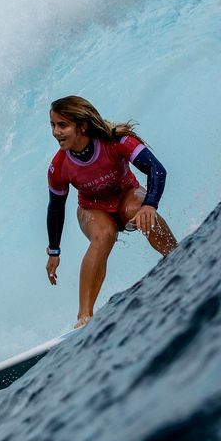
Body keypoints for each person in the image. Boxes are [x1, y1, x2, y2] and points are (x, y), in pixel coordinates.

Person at [45, 95, 177, 329]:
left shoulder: (117, 141)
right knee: (103, 235)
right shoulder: (59, 166)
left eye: (62, 125)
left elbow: (157, 170)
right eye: (53, 125)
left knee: (136, 209)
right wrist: (54, 251)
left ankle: (177, 256)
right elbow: (56, 208)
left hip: (128, 196)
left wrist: (150, 204)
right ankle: (84, 317)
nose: (56, 132)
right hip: (93, 209)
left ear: (82, 126)